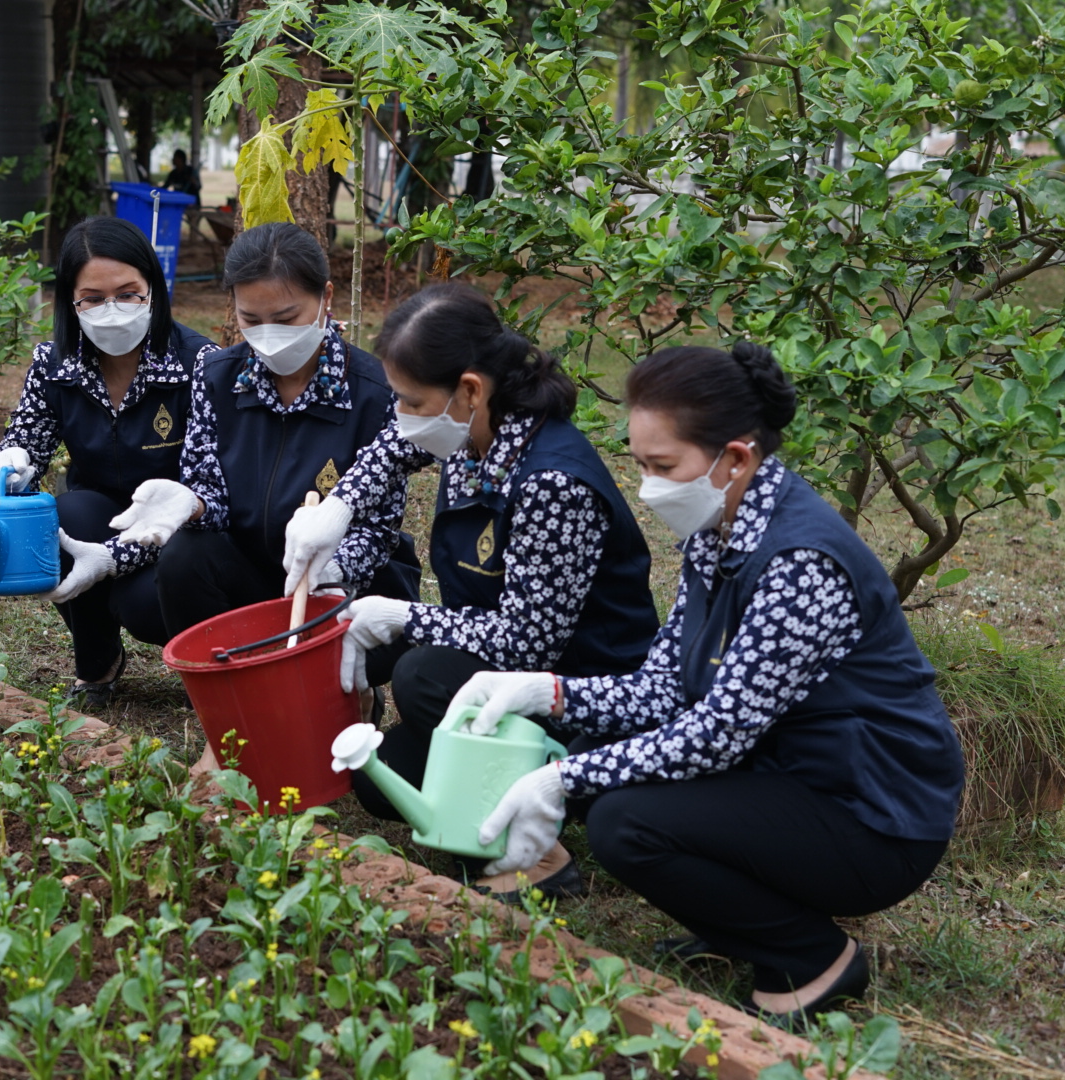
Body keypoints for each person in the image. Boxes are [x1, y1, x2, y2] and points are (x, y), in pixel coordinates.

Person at [447, 342, 965, 1027]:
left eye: (663, 467)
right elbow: (665, 687)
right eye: (640, 464)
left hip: (872, 815)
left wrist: (561, 778)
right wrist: (546, 692)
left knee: (626, 822)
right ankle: (739, 925)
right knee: (616, 781)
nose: (647, 487)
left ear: (737, 459)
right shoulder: (720, 530)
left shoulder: (799, 563)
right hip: (794, 771)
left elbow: (716, 734)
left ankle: (811, 960)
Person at [291, 284, 659, 898]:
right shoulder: (476, 434)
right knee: (381, 781)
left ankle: (541, 855)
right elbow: (394, 447)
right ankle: (488, 790)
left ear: (469, 389)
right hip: (500, 674)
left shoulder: (551, 483)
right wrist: (339, 507)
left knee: (422, 674)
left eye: (411, 400)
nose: (401, 414)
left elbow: (526, 644)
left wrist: (403, 616)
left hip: (578, 692)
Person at [91, 222, 421, 715]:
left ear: (326, 298)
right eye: (252, 318)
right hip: (250, 575)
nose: (270, 336)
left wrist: (330, 570)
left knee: (338, 669)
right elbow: (210, 491)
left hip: (344, 585)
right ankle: (231, 707)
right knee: (180, 561)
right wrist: (192, 503)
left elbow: (377, 530)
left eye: (287, 318)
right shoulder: (217, 377)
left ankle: (346, 694)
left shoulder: (376, 392)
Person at [0, 217, 217, 707]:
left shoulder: (199, 364)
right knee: (63, 516)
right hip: (97, 515)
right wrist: (11, 462)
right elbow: (27, 439)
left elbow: (210, 492)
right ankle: (97, 662)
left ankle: (200, 657)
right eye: (93, 298)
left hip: (176, 531)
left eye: (128, 294)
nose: (111, 310)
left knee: (141, 607)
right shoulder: (55, 363)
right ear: (70, 302)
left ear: (153, 290)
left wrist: (115, 559)